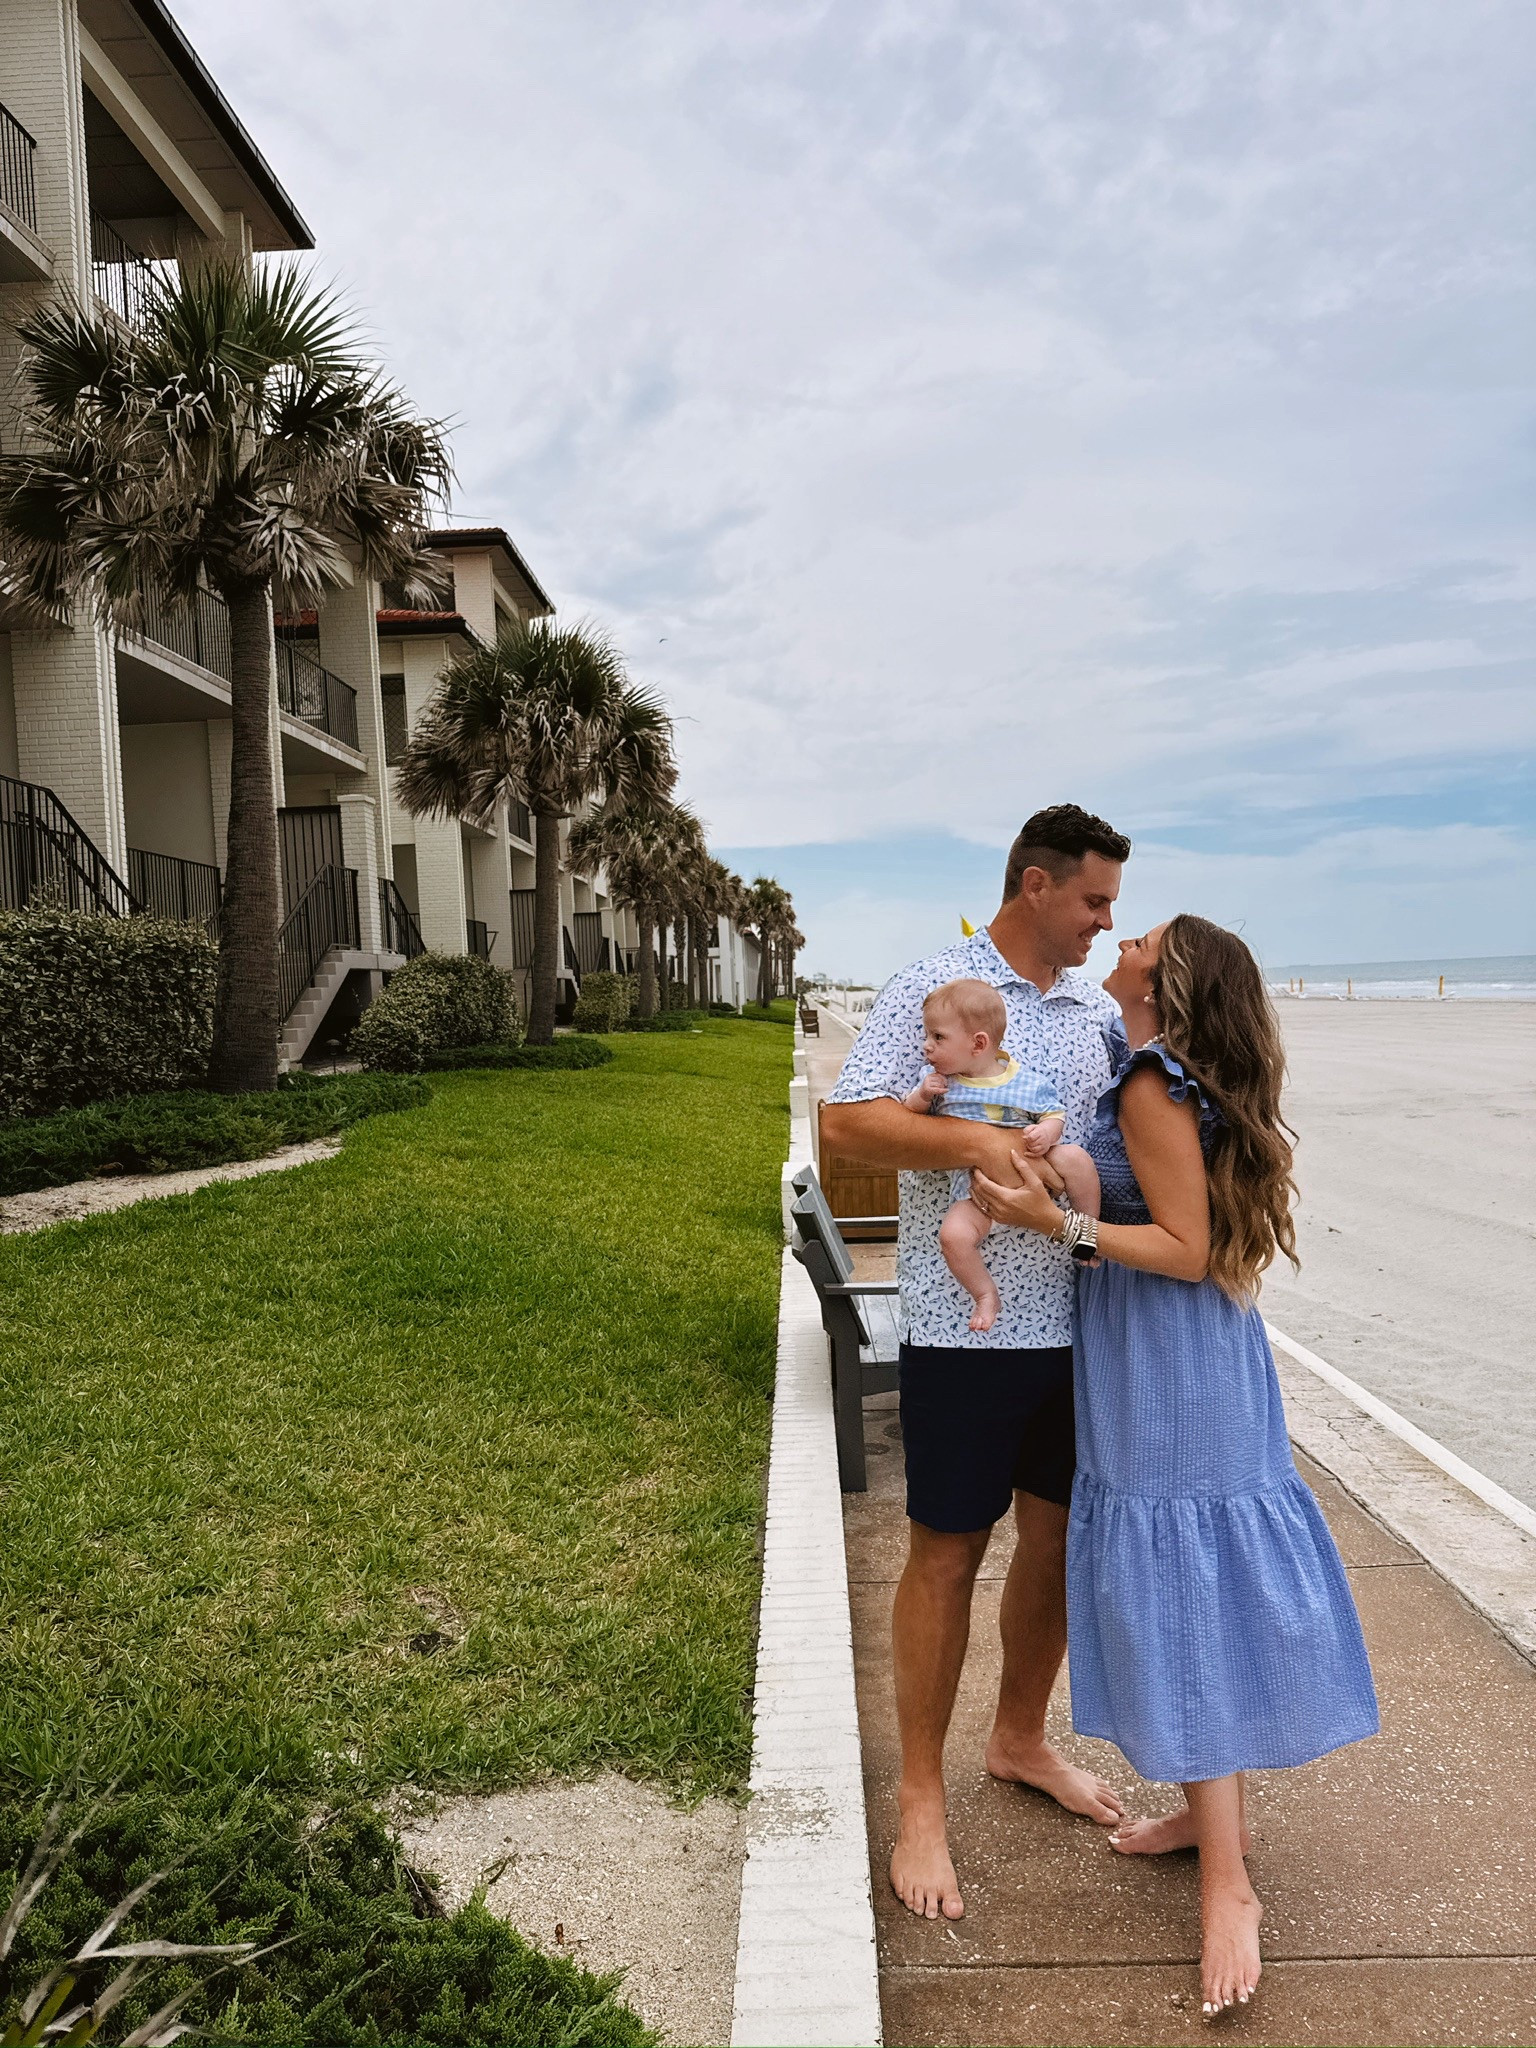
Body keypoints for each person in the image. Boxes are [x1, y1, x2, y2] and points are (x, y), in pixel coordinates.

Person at [972, 915, 1379, 2015]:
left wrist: (1057, 1225)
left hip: (1168, 1365)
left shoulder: (1153, 1078)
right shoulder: (1155, 1071)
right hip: (1187, 1359)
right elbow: (1153, 1203)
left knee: (1191, 1595)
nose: (1123, 934)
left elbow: (1185, 1249)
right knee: (1198, 1585)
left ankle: (1230, 1884)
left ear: (1165, 976)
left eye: (1141, 933)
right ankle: (1211, 1815)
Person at [821, 803, 1132, 1923]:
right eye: (1095, 898)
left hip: (1084, 1325)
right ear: (1036, 884)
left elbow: (1122, 1141)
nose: (1107, 918)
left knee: (1052, 1541)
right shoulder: (928, 983)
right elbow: (850, 1124)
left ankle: (1017, 1738)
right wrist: (976, 1142)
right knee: (946, 1555)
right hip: (966, 1329)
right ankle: (918, 1798)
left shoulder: (1098, 1012)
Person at [902, 977, 1100, 1332]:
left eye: (937, 1037)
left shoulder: (1026, 1082)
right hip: (977, 1194)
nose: (926, 1047)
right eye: (927, 1036)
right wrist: (920, 1096)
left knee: (1077, 1160)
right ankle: (985, 1295)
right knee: (953, 1236)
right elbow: (909, 1118)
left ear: (978, 1043)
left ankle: (1087, 1233)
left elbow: (1054, 1113)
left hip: (1034, 1165)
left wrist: (1046, 1133)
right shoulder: (940, 1083)